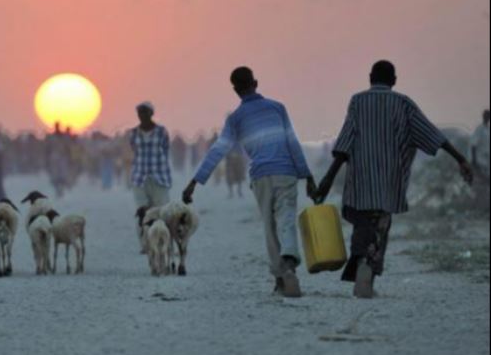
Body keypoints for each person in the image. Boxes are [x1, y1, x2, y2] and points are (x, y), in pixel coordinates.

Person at [314, 61, 473, 298]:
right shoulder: (403, 103)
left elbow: (344, 143)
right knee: (379, 227)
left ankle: (361, 269)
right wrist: (460, 158)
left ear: (370, 77)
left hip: (360, 182)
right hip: (388, 183)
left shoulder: (358, 101)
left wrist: (328, 178)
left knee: (362, 226)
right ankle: (366, 272)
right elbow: (432, 134)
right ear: (394, 80)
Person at [183, 67, 316, 298]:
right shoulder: (278, 108)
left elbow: (218, 150)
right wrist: (308, 176)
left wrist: (195, 181)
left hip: (261, 175)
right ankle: (290, 264)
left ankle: (280, 278)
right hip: (286, 172)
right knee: (286, 219)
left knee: (269, 226)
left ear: (235, 90)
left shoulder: (235, 119)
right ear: (256, 82)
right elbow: (293, 143)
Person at [130, 102, 172, 211]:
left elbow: (166, 150)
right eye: (140, 112)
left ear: (151, 113)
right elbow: (133, 151)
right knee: (142, 213)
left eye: (145, 112)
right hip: (139, 178)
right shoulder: (134, 133)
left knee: (161, 212)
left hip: (159, 177)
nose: (142, 115)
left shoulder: (161, 131)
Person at [471, 109, 490, 182]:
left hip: (487, 160)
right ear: (483, 117)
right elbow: (473, 145)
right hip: (479, 159)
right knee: (481, 180)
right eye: (486, 116)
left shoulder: (488, 129)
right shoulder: (479, 129)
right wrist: (474, 160)